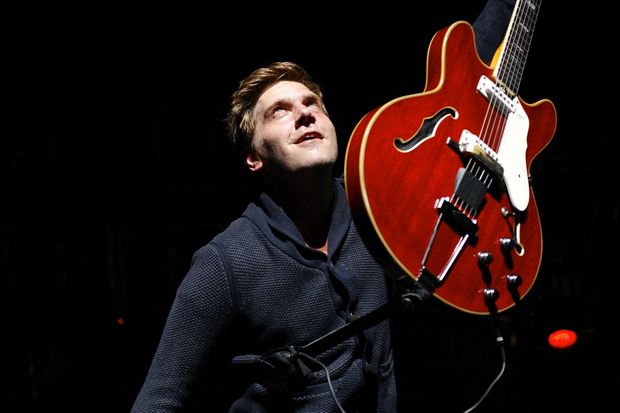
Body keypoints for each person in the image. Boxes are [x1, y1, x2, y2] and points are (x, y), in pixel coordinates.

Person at [130, 1, 516, 411]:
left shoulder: (374, 205)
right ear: (254, 157)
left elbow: (462, 78)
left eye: (312, 103)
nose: (304, 115)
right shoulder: (226, 263)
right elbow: (158, 400)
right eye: (279, 112)